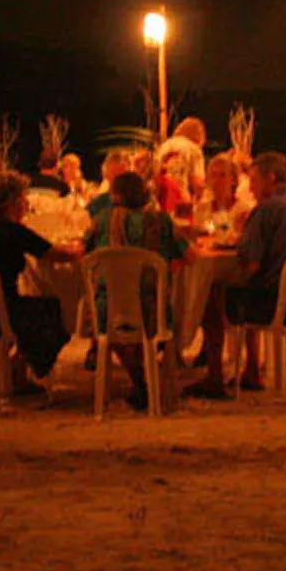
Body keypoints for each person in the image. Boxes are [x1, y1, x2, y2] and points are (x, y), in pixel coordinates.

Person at [189, 152, 286, 397]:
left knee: (214, 291)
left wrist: (244, 235)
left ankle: (215, 377)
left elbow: (251, 264)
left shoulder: (267, 210)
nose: (250, 188)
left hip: (273, 305)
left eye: (253, 181)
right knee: (250, 285)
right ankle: (252, 369)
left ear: (270, 178)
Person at [0, 171, 79, 394]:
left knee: (38, 306)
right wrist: (79, 250)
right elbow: (53, 253)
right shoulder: (11, 230)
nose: (27, 204)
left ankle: (14, 370)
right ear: (15, 202)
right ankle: (17, 373)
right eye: (24, 199)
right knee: (53, 311)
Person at [85, 170, 186, 411]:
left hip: (109, 312)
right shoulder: (161, 221)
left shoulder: (102, 220)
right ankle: (145, 380)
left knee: (116, 327)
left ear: (116, 195)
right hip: (154, 311)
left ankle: (141, 381)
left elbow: (83, 253)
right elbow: (190, 256)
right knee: (147, 327)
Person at [194, 153, 251, 238]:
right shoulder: (201, 209)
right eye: (213, 175)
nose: (216, 180)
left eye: (222, 175)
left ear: (233, 180)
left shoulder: (243, 210)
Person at [155, 118, 207, 198]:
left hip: (162, 198)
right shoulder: (194, 150)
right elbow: (197, 184)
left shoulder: (163, 146)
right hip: (181, 200)